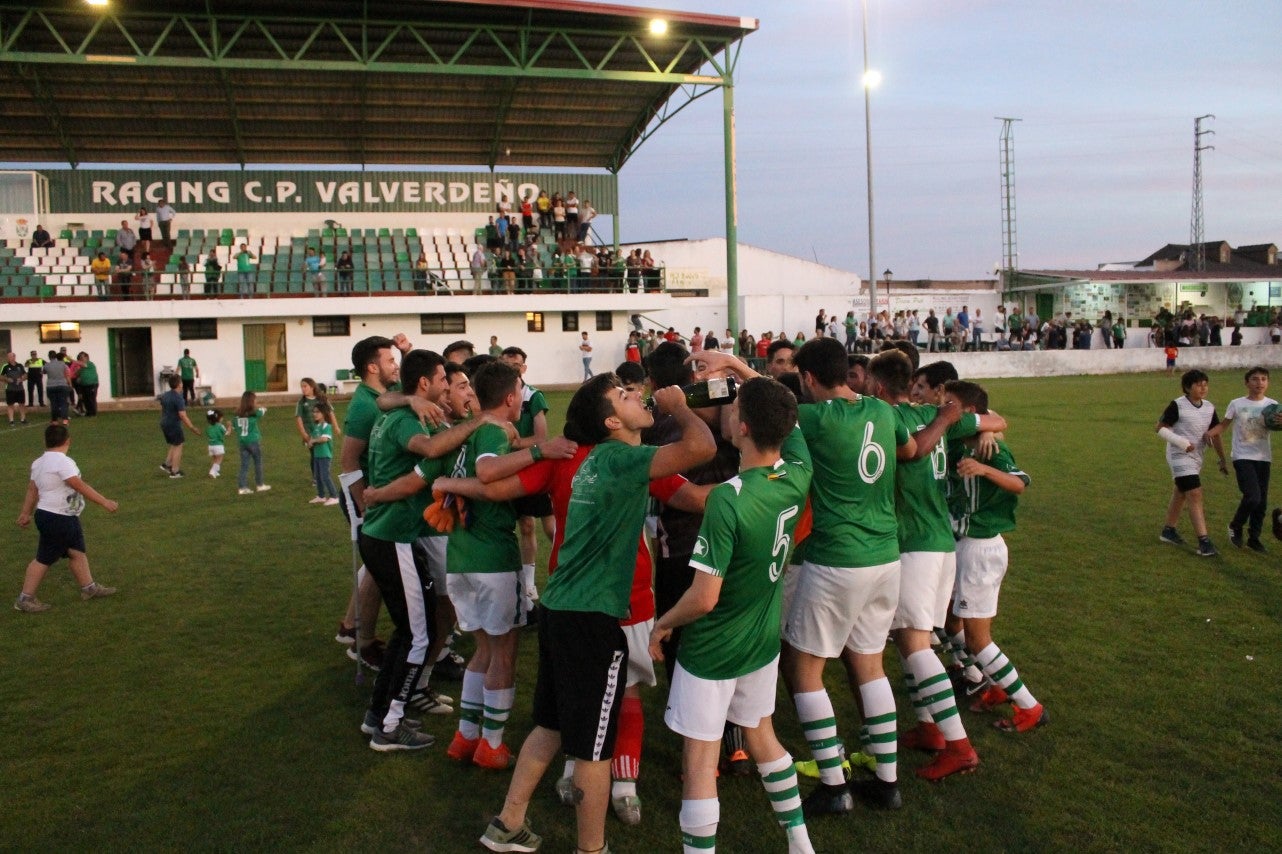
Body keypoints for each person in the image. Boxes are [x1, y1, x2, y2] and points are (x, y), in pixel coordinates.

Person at [474, 374, 715, 854]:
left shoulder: (593, 460)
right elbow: (701, 447)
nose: (637, 397)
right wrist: (679, 407)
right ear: (610, 421)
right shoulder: (625, 459)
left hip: (560, 608)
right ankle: (592, 849)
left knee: (551, 724)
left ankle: (508, 823)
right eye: (624, 397)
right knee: (594, 748)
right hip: (591, 620)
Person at [650, 376, 818, 854]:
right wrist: (733, 366)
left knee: (700, 763)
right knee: (763, 737)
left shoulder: (728, 498)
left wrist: (663, 624)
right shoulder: (798, 471)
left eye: (733, 404)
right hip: (761, 641)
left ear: (741, 427)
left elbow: (704, 598)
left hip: (712, 649)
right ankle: (801, 844)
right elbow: (788, 413)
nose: (725, 408)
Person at [357, 349, 501, 751]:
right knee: (417, 636)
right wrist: (480, 422)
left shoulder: (402, 410)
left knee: (412, 631)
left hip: (389, 535)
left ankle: (378, 716)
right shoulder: (409, 421)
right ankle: (390, 725)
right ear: (425, 383)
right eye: (444, 380)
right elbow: (429, 451)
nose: (449, 386)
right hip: (394, 537)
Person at [943, 380, 1048, 733]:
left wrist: (985, 468)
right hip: (963, 545)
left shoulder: (992, 452)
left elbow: (1020, 483)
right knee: (950, 623)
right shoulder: (959, 442)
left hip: (981, 548)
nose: (944, 405)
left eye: (950, 402)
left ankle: (1029, 707)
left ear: (970, 412)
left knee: (977, 638)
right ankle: (997, 687)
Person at [13, 424, 118, 613]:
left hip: (59, 515)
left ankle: (89, 588)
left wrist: (25, 512)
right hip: (57, 517)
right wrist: (104, 502)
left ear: (45, 441)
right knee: (44, 558)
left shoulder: (39, 462)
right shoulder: (63, 462)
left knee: (76, 551)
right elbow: (78, 485)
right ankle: (25, 598)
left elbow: (32, 489)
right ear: (67, 440)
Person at [1156, 369, 1227, 557]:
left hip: (1197, 457)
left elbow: (1215, 433)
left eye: (1205, 384)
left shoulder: (1209, 407)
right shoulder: (1177, 405)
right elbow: (1160, 428)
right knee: (1194, 493)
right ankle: (1204, 542)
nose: (1203, 388)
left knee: (1181, 492)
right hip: (1178, 456)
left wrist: (1222, 458)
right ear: (1188, 387)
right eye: (1198, 384)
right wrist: (1182, 442)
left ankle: (1168, 531)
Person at [1207, 367, 1278, 552]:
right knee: (1253, 496)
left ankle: (1254, 538)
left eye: (1263, 379)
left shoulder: (1273, 405)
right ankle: (1235, 526)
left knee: (1261, 502)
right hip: (1242, 456)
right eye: (1254, 379)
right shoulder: (1236, 404)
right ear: (1247, 383)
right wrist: (1209, 434)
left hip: (1264, 457)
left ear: (1268, 383)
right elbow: (1223, 425)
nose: (1259, 383)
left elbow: (1278, 424)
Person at [158, 374, 199, 477]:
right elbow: (182, 415)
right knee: (178, 445)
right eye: (181, 382)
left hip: (164, 422)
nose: (182, 384)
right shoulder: (178, 398)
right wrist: (192, 427)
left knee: (174, 443)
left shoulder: (165, 395)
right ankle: (175, 471)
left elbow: (162, 410)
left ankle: (167, 464)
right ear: (178, 384)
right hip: (173, 424)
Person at [233, 392, 271, 495]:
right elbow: (262, 411)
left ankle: (242, 487)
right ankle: (260, 485)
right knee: (258, 463)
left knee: (244, 465)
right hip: (253, 441)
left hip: (242, 443)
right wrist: (262, 408)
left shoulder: (237, 414)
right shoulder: (254, 413)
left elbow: (234, 426)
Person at [308, 404, 340, 506]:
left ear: (323, 413)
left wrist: (313, 441)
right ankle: (321, 496)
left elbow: (324, 439)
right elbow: (312, 439)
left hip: (325, 455)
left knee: (325, 476)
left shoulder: (327, 426)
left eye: (317, 412)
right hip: (317, 455)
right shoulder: (316, 427)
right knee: (318, 476)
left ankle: (334, 496)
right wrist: (309, 443)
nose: (315, 414)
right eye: (314, 412)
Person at [44, 351, 71, 425]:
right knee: (63, 403)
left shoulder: (47, 365)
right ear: (55, 356)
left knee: (53, 403)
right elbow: (67, 373)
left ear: (49, 357)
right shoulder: (63, 364)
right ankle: (65, 419)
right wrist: (69, 384)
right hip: (62, 385)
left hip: (51, 386)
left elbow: (43, 372)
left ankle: (54, 420)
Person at [4, 352, 26, 426]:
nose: (9, 358)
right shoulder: (5, 366)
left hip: (20, 389)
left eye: (11, 357)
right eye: (8, 357)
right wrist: (7, 379)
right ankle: (11, 421)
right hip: (10, 389)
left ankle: (23, 419)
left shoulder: (20, 366)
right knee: (10, 405)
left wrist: (22, 378)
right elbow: (1, 376)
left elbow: (25, 375)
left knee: (22, 404)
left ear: (14, 357)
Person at [205, 408, 229, 479]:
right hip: (218, 445)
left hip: (210, 446)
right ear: (218, 418)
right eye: (221, 417)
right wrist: (229, 426)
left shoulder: (208, 427)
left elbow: (208, 434)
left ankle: (216, 472)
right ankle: (212, 472)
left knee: (214, 459)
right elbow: (227, 433)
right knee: (219, 460)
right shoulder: (220, 426)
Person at [75, 352, 99, 417]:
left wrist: (70, 359)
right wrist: (78, 375)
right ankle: (88, 412)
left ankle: (93, 413)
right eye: (80, 358)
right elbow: (77, 374)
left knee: (91, 399)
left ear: (87, 357)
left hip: (92, 384)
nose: (80, 359)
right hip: (84, 385)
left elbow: (81, 364)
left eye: (82, 357)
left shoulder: (90, 364)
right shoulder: (82, 367)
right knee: (85, 399)